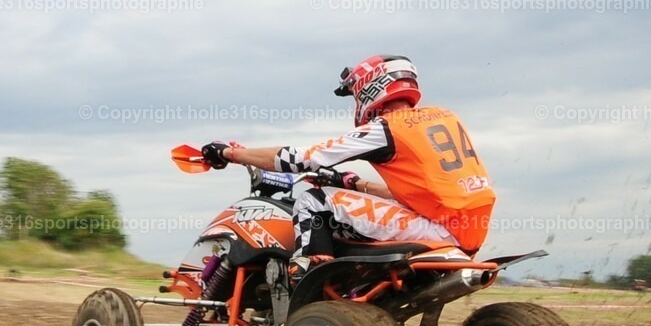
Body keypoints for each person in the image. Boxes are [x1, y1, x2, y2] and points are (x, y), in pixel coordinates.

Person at [201, 54, 496, 284]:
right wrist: (354, 183)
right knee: (337, 205)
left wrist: (230, 153)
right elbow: (415, 194)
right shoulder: (444, 117)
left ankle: (308, 279)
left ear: (371, 87)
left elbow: (299, 159)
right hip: (469, 232)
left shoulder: (387, 127)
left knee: (312, 201)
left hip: (436, 231)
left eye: (356, 93)